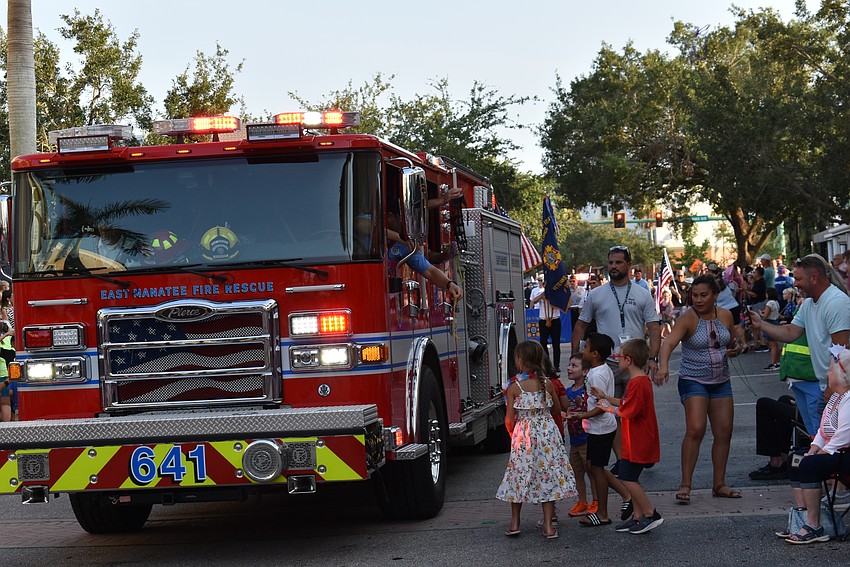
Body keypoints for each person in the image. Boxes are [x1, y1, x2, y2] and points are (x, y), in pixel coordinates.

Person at [656, 274, 742, 502]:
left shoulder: (725, 315)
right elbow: (669, 343)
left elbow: (733, 342)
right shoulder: (688, 318)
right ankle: (685, 485)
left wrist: (736, 348)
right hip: (693, 379)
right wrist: (663, 367)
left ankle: (719, 484)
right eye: (695, 295)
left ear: (715, 295)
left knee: (724, 431)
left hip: (721, 380)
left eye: (704, 295)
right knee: (696, 429)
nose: (699, 299)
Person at [749, 254, 850, 430]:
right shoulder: (809, 304)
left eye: (798, 279)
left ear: (814, 277)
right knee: (822, 441)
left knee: (833, 446)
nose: (794, 284)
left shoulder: (836, 302)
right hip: (827, 386)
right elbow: (790, 332)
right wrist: (761, 324)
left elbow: (841, 352)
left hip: (839, 390)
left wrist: (831, 390)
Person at [496, 341, 576, 539]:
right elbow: (557, 409)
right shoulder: (547, 384)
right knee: (546, 475)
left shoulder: (514, 387)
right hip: (547, 435)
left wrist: (514, 435)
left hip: (524, 435)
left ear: (520, 360)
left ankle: (515, 523)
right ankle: (549, 526)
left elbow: (508, 419)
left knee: (519, 475)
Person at [778, 347, 850, 544]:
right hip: (836, 452)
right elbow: (822, 431)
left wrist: (820, 454)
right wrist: (813, 450)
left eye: (830, 371)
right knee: (796, 458)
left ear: (842, 376)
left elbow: (843, 436)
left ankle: (814, 524)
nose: (827, 374)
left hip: (844, 453)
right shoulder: (836, 397)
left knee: (809, 464)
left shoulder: (849, 400)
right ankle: (802, 517)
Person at [571, 246, 661, 399]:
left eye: (618, 262)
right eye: (611, 262)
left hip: (635, 361)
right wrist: (576, 356)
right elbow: (581, 325)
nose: (614, 266)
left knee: (634, 410)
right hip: (606, 362)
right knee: (608, 412)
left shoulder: (643, 294)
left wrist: (652, 358)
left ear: (629, 265)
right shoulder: (596, 294)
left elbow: (654, 328)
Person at [592, 338, 663, 534]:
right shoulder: (637, 381)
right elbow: (626, 402)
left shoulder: (639, 383)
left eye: (620, 357)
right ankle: (638, 517)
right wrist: (606, 398)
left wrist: (608, 409)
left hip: (639, 439)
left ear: (629, 360)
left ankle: (650, 513)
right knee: (630, 476)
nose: (617, 360)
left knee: (627, 477)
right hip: (635, 439)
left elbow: (630, 410)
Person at [567, 332, 631, 527]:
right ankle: (624, 497)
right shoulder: (600, 370)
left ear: (594, 353)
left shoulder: (596, 375)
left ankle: (607, 510)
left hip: (600, 429)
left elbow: (601, 405)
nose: (582, 350)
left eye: (585, 347)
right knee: (594, 468)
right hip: (600, 427)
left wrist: (581, 416)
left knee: (597, 469)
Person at [386, 211, 463, 302]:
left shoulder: (405, 247)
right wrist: (399, 237)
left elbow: (430, 271)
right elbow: (369, 227)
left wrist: (449, 284)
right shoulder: (369, 221)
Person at [564, 353, 596, 517]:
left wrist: (581, 406)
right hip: (574, 440)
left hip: (586, 438)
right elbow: (566, 410)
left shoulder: (588, 390)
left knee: (591, 471)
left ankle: (596, 501)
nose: (569, 368)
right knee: (577, 472)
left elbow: (592, 410)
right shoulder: (568, 391)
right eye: (569, 365)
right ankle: (582, 501)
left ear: (585, 372)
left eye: (574, 366)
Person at [530, 274, 563, 372]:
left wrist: (552, 295)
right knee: (543, 343)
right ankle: (547, 364)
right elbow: (533, 302)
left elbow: (560, 304)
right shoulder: (539, 292)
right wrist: (542, 295)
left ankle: (556, 365)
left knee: (556, 344)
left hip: (555, 319)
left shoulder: (556, 292)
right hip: (543, 319)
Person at [761, 288, 782, 371]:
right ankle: (779, 361)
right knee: (775, 344)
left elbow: (765, 315)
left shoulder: (769, 303)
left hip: (769, 322)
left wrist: (760, 313)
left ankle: (773, 362)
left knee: (772, 345)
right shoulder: (776, 302)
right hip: (775, 322)